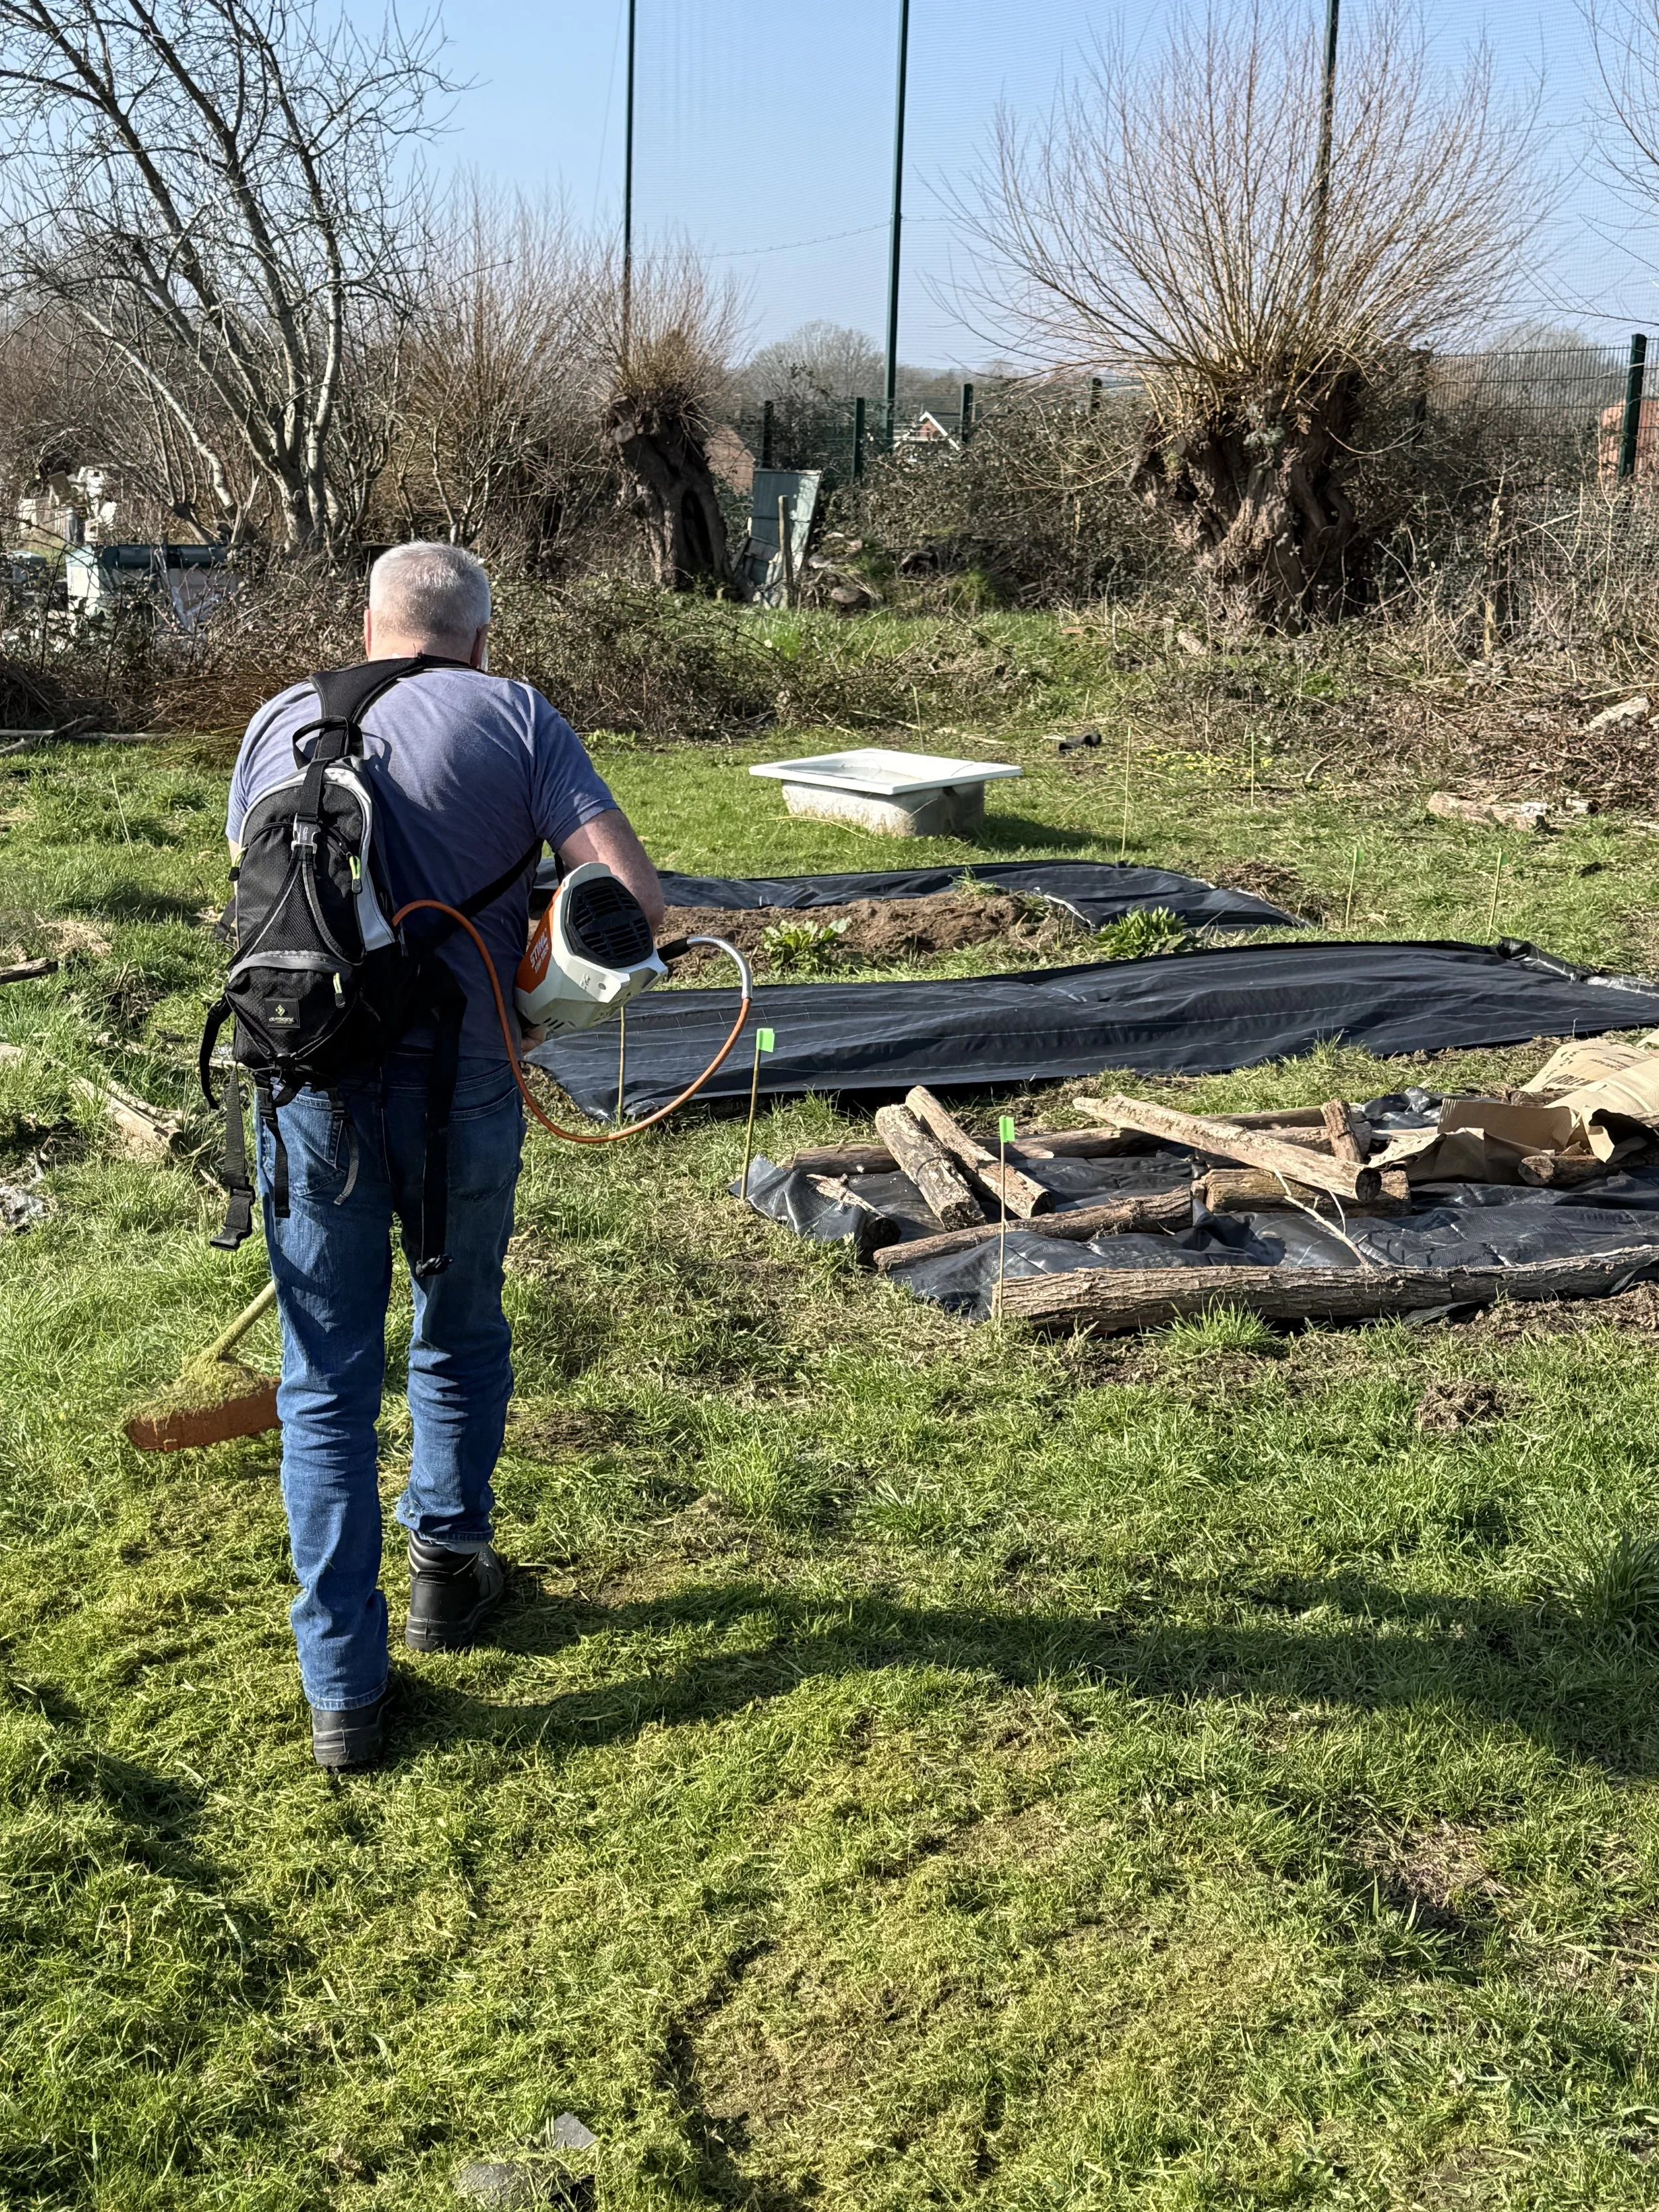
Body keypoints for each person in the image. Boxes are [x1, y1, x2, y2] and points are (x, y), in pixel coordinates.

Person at [226, 542, 663, 1772]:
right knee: (458, 1323)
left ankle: (343, 1694)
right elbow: (633, 902)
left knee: (324, 1379)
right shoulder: (515, 715)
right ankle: (448, 1568)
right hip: (466, 1082)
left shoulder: (275, 719)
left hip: (307, 1085)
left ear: (367, 624)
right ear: (479, 635)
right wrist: (540, 969)